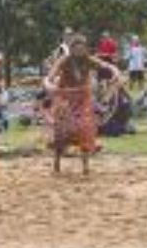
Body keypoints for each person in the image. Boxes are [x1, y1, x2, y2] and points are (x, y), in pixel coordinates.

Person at [45, 34, 121, 175]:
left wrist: (115, 73)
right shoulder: (64, 60)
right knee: (61, 131)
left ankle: (86, 166)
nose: (79, 50)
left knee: (85, 128)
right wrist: (50, 85)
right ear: (72, 49)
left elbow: (107, 66)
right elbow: (50, 77)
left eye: (82, 48)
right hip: (66, 98)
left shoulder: (89, 60)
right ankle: (56, 163)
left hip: (83, 99)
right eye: (76, 47)